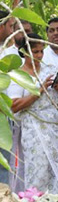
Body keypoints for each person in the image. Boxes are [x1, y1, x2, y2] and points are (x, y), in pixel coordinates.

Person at [7, 33, 58, 192]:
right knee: (40, 163)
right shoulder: (18, 75)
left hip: (57, 123)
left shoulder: (50, 70)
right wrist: (38, 91)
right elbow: (13, 105)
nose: (39, 55)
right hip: (34, 125)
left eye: (41, 51)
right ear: (24, 52)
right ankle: (38, 200)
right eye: (35, 52)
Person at [0, 10, 16, 185]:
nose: (12, 31)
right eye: (10, 26)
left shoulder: (10, 52)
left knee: (4, 164)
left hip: (5, 115)